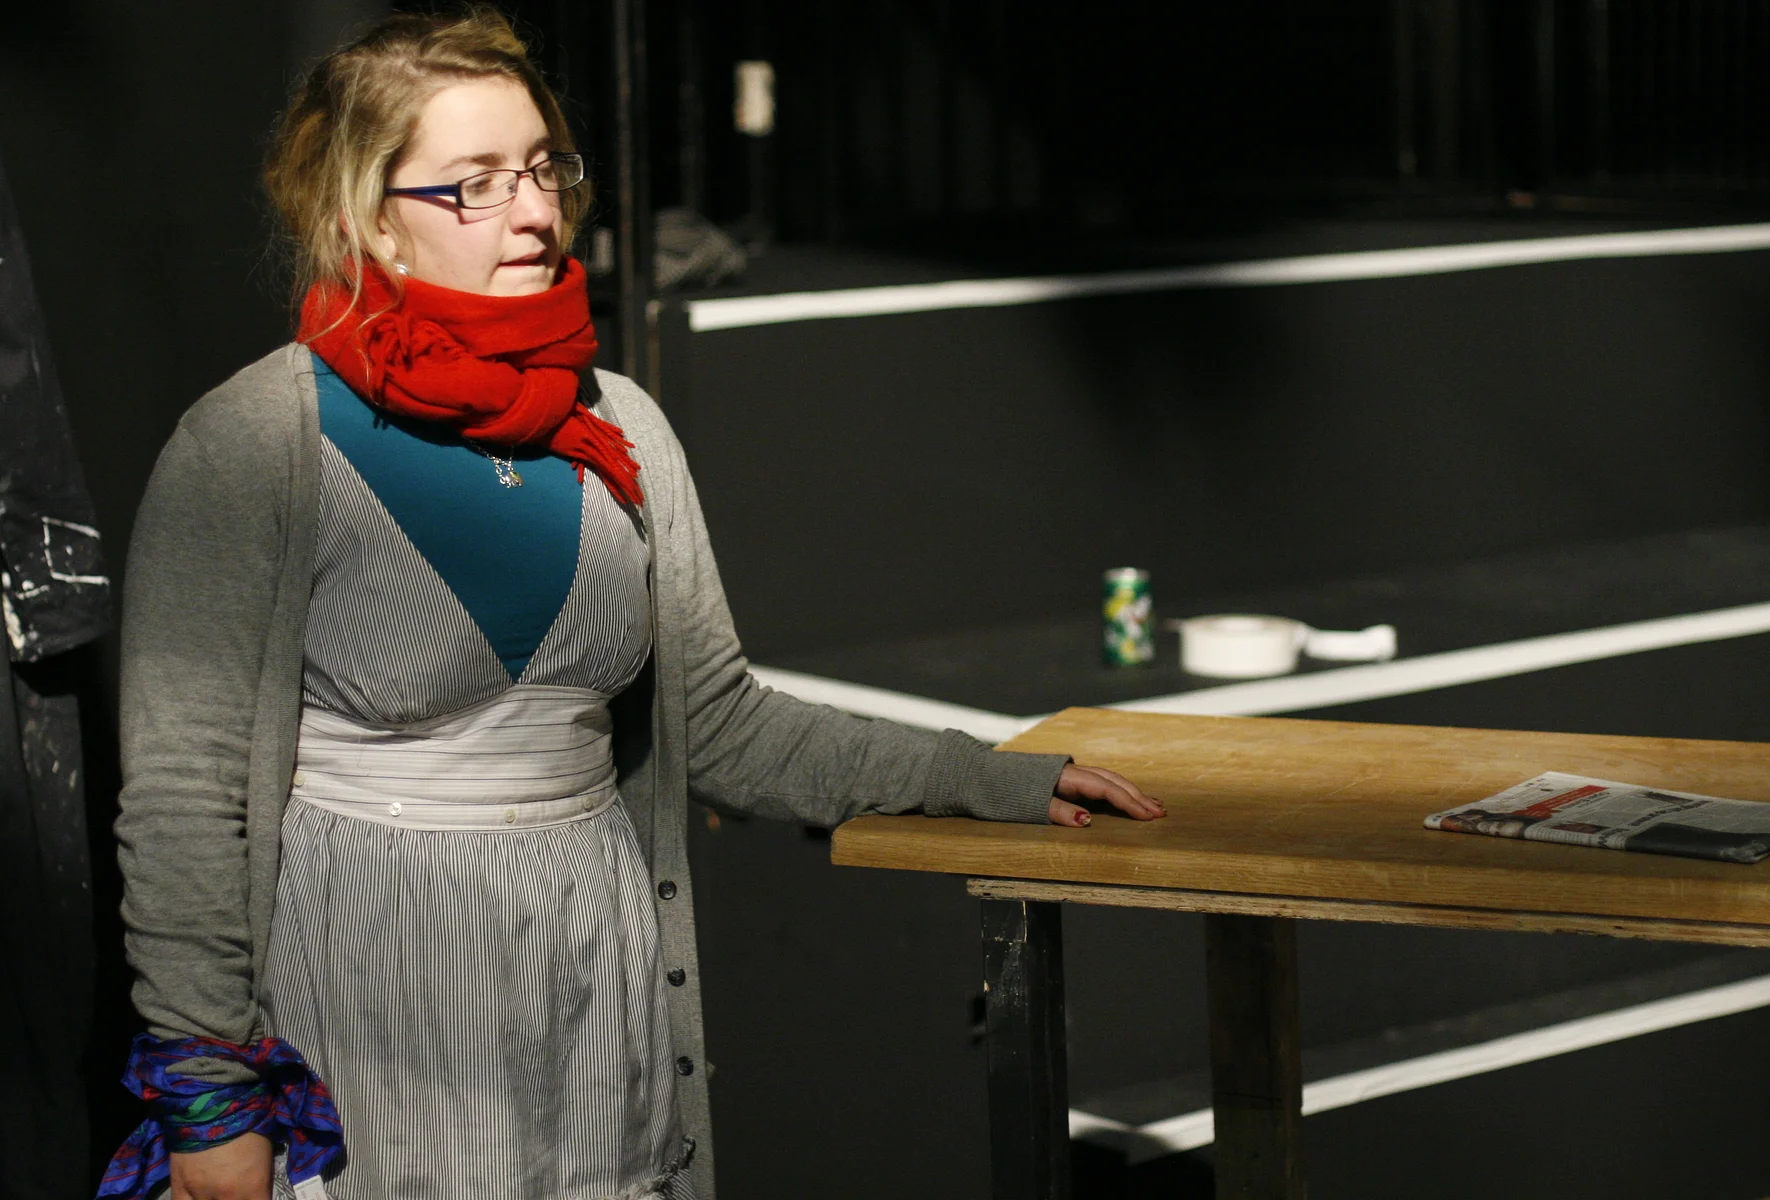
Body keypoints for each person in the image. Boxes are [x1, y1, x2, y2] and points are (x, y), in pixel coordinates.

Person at [102, 10, 1164, 1200]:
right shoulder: (256, 443)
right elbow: (185, 797)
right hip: (373, 977)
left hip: (592, 966)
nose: (535, 212)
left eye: (543, 168)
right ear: (368, 220)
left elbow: (724, 725)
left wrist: (982, 776)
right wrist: (208, 1101)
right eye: (475, 183)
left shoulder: (619, 426)